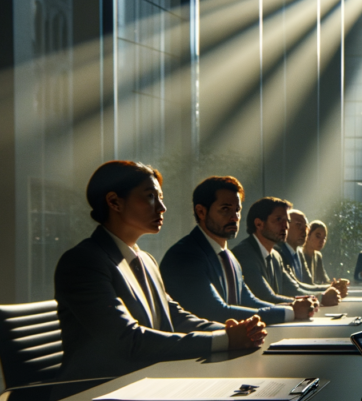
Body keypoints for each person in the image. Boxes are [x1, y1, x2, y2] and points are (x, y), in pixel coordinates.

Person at [54, 161, 266, 382]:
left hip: (149, 381)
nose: (162, 208)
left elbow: (176, 317)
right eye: (150, 197)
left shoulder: (146, 260)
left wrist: (236, 331)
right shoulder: (84, 262)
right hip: (96, 393)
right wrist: (225, 340)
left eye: (161, 198)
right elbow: (128, 341)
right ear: (114, 202)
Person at [160, 176, 317, 325]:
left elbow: (249, 301)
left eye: (237, 210)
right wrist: (289, 312)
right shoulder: (185, 255)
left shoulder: (230, 257)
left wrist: (290, 308)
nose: (235, 217)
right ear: (201, 212)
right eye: (225, 209)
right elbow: (217, 312)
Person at [231, 197, 345, 306]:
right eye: (279, 219)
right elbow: (266, 298)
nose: (285, 226)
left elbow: (292, 288)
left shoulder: (276, 256)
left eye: (287, 221)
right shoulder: (245, 254)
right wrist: (320, 298)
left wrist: (322, 295)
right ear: (259, 224)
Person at [277, 209, 313, 285]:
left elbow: (309, 283)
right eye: (299, 225)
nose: (304, 232)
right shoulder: (278, 252)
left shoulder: (299, 252)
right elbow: (291, 288)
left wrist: (331, 288)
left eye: (306, 228)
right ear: (286, 226)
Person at [302, 220, 331, 285]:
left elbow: (324, 279)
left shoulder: (317, 256)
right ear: (308, 234)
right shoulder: (300, 255)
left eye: (324, 238)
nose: (322, 241)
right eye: (318, 236)